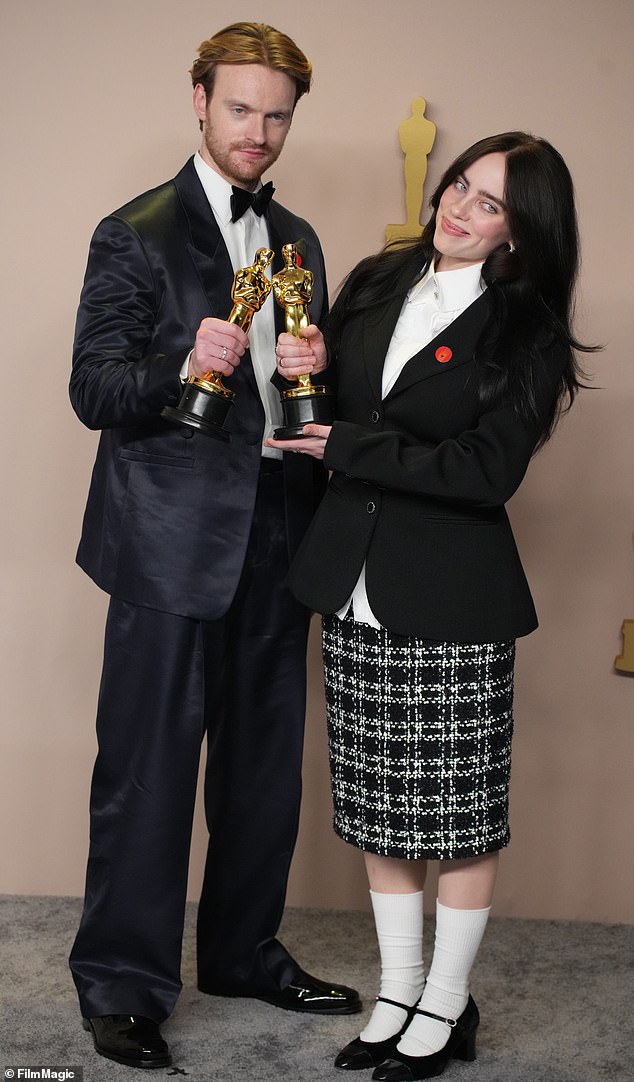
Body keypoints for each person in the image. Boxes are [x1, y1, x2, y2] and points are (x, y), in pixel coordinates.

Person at [266, 131, 593, 1080]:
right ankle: (398, 995)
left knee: (458, 819)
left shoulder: (526, 332)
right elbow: (327, 410)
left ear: (520, 234)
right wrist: (310, 362)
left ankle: (447, 1009)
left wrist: (346, 448)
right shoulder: (375, 279)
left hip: (453, 596)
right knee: (379, 810)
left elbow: (485, 470)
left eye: (490, 203)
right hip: (353, 582)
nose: (460, 208)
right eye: (461, 185)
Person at [68, 21, 360, 1072]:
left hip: (280, 533)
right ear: (199, 101)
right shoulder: (134, 231)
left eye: (277, 114)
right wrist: (173, 361)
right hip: (165, 545)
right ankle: (121, 984)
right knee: (147, 772)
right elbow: (92, 387)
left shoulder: (301, 243)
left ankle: (242, 950)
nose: (260, 131)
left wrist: (316, 369)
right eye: (242, 107)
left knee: (260, 772)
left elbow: (302, 398)